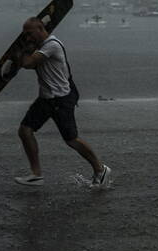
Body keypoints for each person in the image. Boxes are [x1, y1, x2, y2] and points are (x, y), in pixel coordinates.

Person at [11, 16, 111, 188]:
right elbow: (33, 65)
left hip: (60, 99)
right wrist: (26, 49)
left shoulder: (52, 45)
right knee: (25, 131)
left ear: (41, 29)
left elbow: (28, 63)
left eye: (29, 34)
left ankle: (101, 170)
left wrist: (19, 51)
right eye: (25, 35)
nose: (27, 38)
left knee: (71, 139)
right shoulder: (41, 46)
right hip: (46, 98)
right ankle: (36, 175)